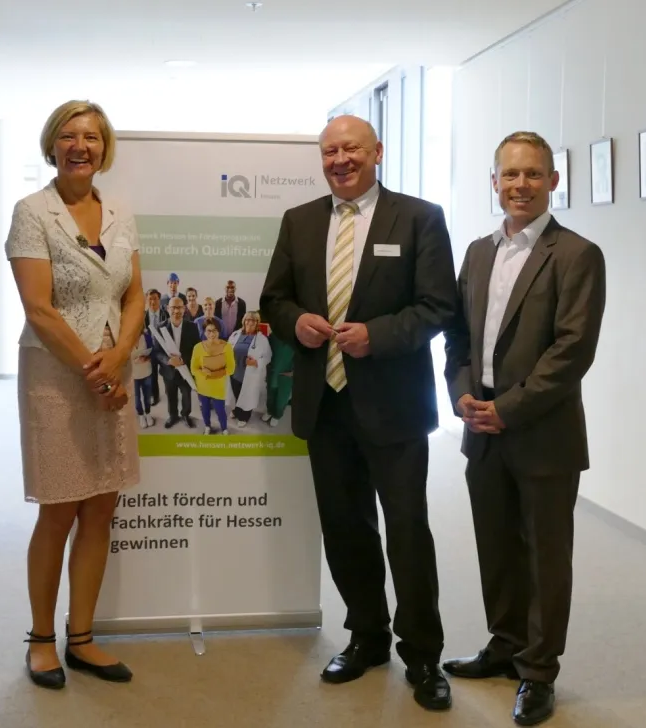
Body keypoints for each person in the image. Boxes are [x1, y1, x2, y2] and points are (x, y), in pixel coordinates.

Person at [259, 114, 458, 711]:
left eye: (350, 149)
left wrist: (377, 333)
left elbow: (438, 306)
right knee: (345, 528)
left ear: (376, 152)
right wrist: (297, 322)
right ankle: (366, 635)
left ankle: (423, 655)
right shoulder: (300, 221)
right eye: (329, 152)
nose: (339, 160)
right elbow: (274, 296)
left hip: (394, 404)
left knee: (407, 531)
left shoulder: (420, 217)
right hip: (328, 403)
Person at [442, 131, 606, 727]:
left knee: (544, 556)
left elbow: (572, 350)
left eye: (532, 174)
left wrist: (508, 407)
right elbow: (457, 335)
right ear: (494, 183)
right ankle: (504, 644)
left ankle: (539, 673)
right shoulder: (479, 252)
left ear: (553, 181)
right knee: (495, 546)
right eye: (509, 175)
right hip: (480, 425)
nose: (520, 185)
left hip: (541, 431)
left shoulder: (577, 254)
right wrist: (462, 392)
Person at [6, 99, 142, 689]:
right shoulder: (32, 212)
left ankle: (82, 636)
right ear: (52, 145)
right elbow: (39, 307)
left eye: (91, 136)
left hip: (114, 366)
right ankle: (41, 638)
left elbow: (135, 297)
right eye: (69, 136)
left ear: (104, 147)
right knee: (60, 509)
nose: (80, 146)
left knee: (101, 507)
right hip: (58, 376)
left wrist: (116, 363)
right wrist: (98, 372)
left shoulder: (119, 212)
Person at [153, 296, 201, 429]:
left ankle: (185, 414)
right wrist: (168, 360)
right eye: (173, 307)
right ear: (168, 309)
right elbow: (156, 352)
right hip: (168, 371)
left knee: (186, 395)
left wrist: (183, 359)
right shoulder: (160, 327)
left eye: (179, 307)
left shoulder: (192, 327)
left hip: (185, 369)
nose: (176, 310)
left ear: (184, 309)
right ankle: (173, 415)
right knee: (171, 395)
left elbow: (196, 349)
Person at [190, 317, 236, 434]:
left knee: (220, 410)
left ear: (219, 331)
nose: (212, 334)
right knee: (204, 409)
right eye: (209, 331)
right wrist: (203, 373)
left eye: (215, 330)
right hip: (203, 386)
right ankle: (207, 426)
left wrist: (214, 374)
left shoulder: (227, 347)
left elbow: (231, 369)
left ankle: (224, 428)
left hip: (218, 386)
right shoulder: (197, 348)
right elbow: (193, 369)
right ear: (204, 332)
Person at [227, 311, 272, 426]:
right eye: (248, 319)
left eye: (253, 320)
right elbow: (227, 348)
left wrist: (256, 362)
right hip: (234, 371)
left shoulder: (262, 339)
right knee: (235, 392)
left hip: (249, 374)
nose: (250, 322)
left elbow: (268, 357)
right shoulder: (235, 334)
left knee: (247, 395)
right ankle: (236, 411)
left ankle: (244, 417)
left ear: (257, 323)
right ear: (244, 321)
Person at [261, 333, 293, 427]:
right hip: (272, 370)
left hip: (287, 373)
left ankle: (277, 415)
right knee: (271, 393)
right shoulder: (274, 336)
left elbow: (302, 358)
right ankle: (270, 411)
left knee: (282, 397)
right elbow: (265, 351)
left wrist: (294, 372)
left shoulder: (297, 339)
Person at [132, 326, 156, 427]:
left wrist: (147, 358)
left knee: (147, 396)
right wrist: (134, 361)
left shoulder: (146, 337)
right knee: (137, 397)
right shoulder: (126, 340)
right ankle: (141, 415)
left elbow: (153, 352)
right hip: (133, 374)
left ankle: (148, 413)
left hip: (146, 372)